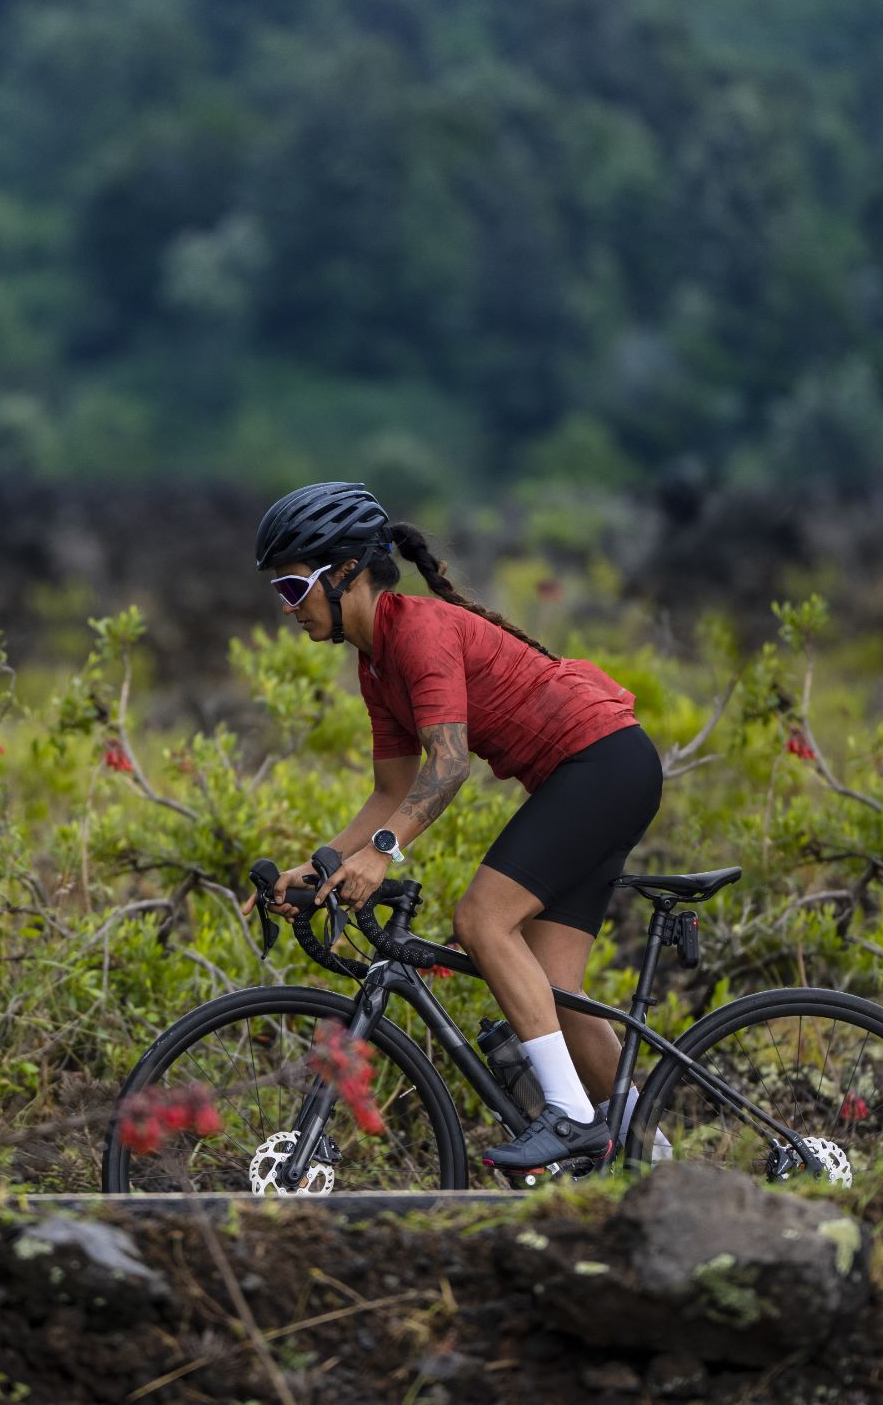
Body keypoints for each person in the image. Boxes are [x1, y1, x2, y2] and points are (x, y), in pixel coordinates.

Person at [256, 481, 659, 1172]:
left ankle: (567, 1116)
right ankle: (658, 1162)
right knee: (557, 990)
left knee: (480, 920)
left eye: (294, 591)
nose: (287, 610)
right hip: (597, 772)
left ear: (344, 574)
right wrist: (322, 863)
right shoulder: (374, 662)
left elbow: (446, 766)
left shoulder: (420, 633)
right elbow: (390, 791)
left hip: (602, 765)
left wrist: (383, 855)